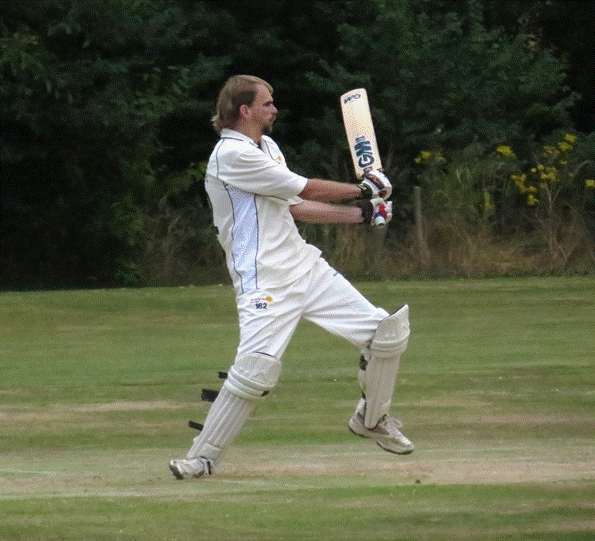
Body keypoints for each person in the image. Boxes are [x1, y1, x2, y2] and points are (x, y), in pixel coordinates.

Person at [169, 75, 413, 480]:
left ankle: (372, 420)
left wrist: (364, 213)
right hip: (264, 281)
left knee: (387, 333)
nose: (274, 109)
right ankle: (202, 458)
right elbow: (309, 189)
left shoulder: (266, 147)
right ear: (244, 110)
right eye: (266, 103)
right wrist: (363, 189)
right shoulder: (231, 155)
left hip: (306, 268)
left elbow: (295, 206)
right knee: (255, 370)